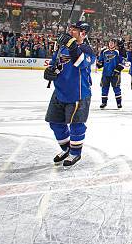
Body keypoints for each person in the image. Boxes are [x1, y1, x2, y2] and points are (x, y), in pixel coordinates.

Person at [44, 21, 95, 167]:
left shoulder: (87, 50)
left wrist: (72, 45)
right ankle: (67, 149)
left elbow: (80, 62)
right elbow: (55, 64)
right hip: (59, 91)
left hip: (78, 93)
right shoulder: (61, 48)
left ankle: (75, 153)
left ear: (83, 34)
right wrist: (50, 72)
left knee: (76, 125)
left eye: (75, 30)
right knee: (55, 122)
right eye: (71, 28)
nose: (71, 31)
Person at [96, 39, 125, 109]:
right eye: (110, 42)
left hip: (115, 74)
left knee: (116, 88)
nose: (111, 44)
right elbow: (101, 62)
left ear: (115, 44)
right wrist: (99, 64)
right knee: (104, 88)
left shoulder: (118, 52)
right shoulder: (104, 52)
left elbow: (122, 62)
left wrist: (117, 69)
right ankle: (104, 103)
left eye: (112, 43)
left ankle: (119, 103)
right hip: (106, 74)